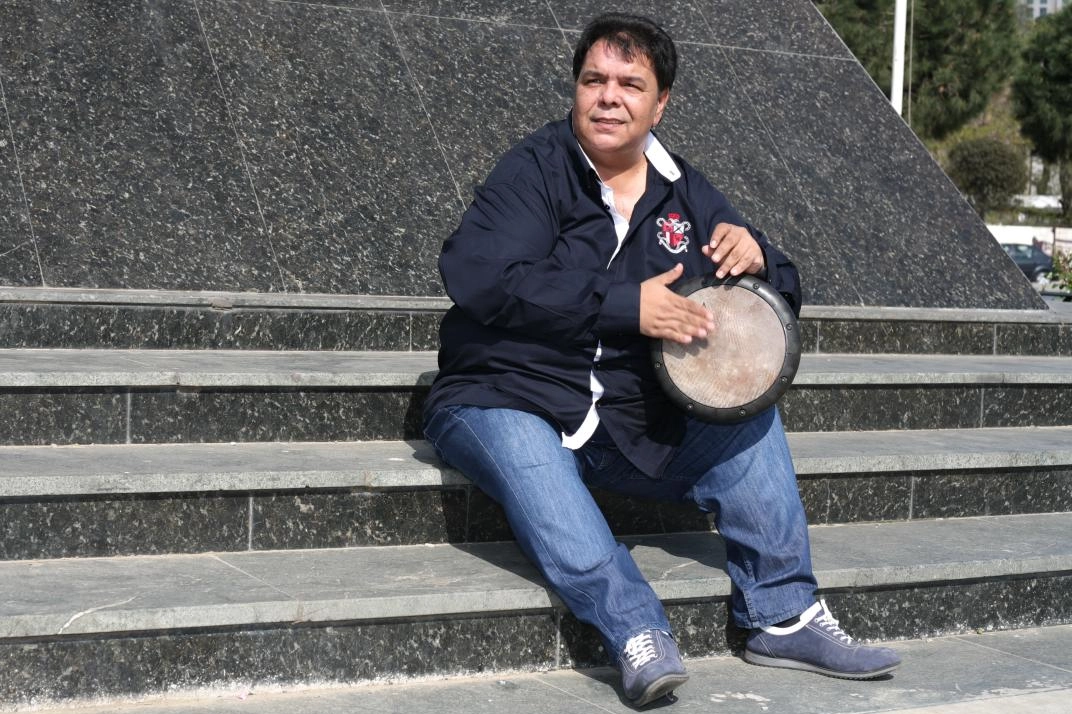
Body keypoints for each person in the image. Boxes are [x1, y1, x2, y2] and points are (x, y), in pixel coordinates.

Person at [423, 12, 901, 708]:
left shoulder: (684, 191)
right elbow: (479, 275)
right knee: (532, 462)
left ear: (660, 103)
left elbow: (780, 287)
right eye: (594, 80)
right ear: (575, 89)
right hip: (502, 395)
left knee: (747, 420)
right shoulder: (534, 170)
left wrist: (761, 258)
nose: (608, 97)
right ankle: (636, 631)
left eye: (630, 85)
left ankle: (783, 615)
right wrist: (625, 305)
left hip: (625, 416)